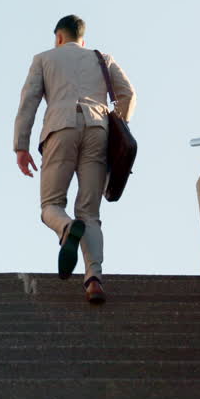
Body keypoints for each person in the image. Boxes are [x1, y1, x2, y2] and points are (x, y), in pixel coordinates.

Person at [12, 15, 135, 303]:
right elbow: (128, 94)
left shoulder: (44, 59)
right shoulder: (102, 58)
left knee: (51, 205)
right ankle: (94, 280)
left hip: (60, 129)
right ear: (83, 39)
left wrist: (21, 146)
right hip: (97, 130)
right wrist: (117, 125)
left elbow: (28, 102)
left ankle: (66, 229)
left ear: (58, 37)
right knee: (90, 212)